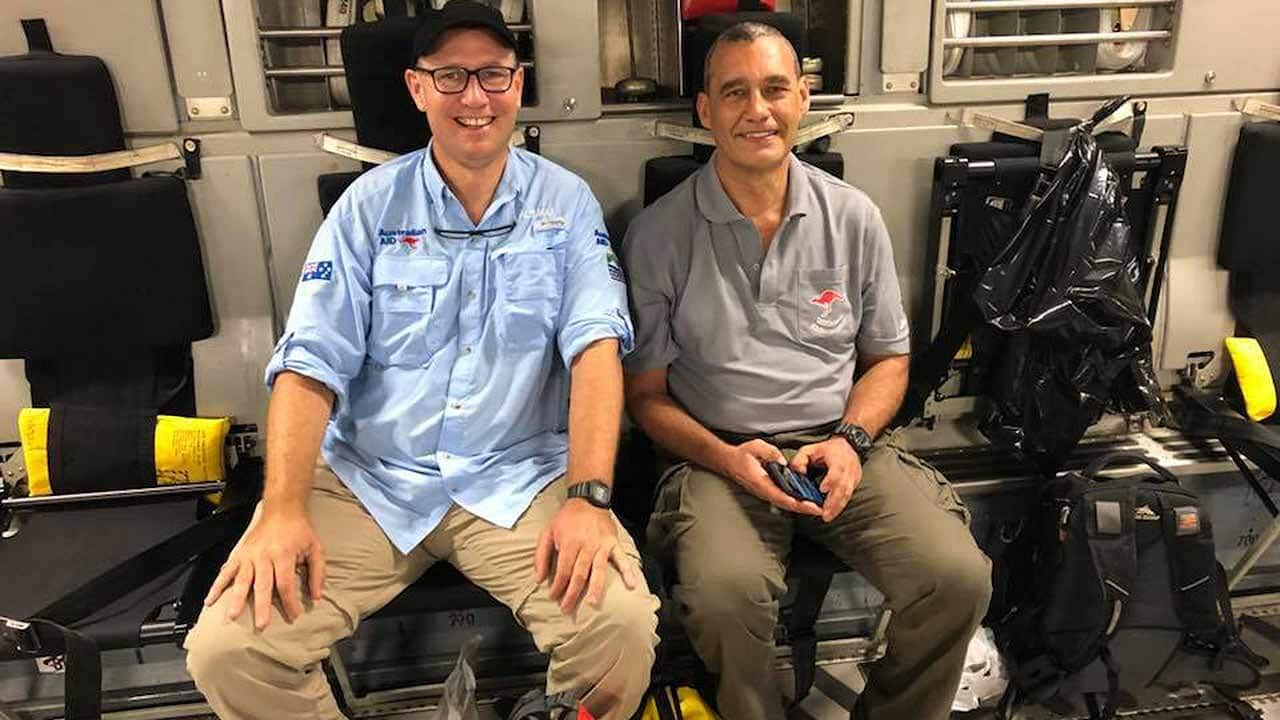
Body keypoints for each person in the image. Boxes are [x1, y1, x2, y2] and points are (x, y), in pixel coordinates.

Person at [183, 3, 659, 718]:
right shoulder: (366, 209)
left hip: (515, 477)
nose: (475, 96)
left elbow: (596, 352)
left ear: (518, 83)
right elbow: (308, 365)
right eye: (451, 76)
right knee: (229, 651)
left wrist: (589, 499)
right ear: (417, 88)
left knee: (619, 630)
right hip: (371, 481)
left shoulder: (566, 204)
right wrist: (281, 511)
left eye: (493, 74)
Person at [622, 22, 992, 720]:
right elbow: (645, 397)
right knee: (725, 596)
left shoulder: (853, 217)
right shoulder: (658, 235)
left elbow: (888, 360)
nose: (757, 110)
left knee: (956, 577)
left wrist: (850, 441)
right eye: (735, 92)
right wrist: (729, 459)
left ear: (803, 98)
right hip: (718, 456)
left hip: (842, 445)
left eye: (774, 89)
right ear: (705, 110)